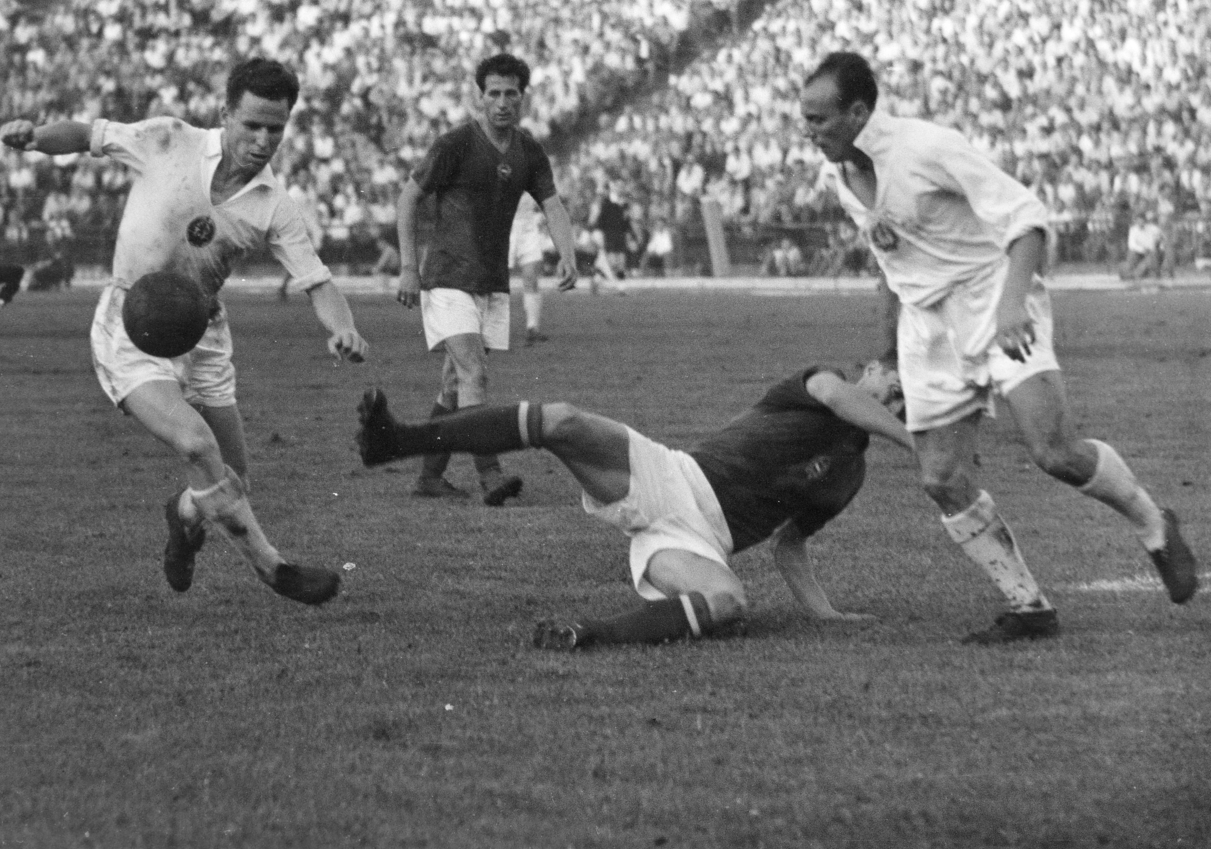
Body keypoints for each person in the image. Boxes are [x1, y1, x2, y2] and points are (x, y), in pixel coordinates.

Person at [799, 51, 1198, 643]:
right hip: (928, 327)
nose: (808, 132)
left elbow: (1027, 219)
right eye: (804, 119)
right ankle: (1029, 605)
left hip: (995, 295)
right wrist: (888, 351)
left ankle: (1154, 524)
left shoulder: (925, 147)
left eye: (819, 119)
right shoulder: (842, 175)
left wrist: (1011, 307)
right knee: (939, 477)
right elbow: (892, 266)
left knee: (1054, 450)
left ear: (858, 111)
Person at [0, 58, 367, 606]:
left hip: (204, 332)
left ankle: (183, 514)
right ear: (225, 114)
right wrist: (34, 138)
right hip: (130, 323)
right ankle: (276, 570)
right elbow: (88, 134)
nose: (264, 140)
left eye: (276, 128)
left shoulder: (273, 206)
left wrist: (344, 329)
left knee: (231, 477)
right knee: (197, 445)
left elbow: (316, 280)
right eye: (252, 125)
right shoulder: (169, 139)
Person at [355, 362, 913, 649]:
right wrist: (916, 441)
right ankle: (395, 441)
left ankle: (586, 633)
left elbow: (791, 545)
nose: (893, 397)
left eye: (905, 401)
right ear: (874, 370)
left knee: (728, 601)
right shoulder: (824, 382)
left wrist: (828, 614)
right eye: (893, 383)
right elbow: (841, 399)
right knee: (561, 421)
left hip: (698, 540)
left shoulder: (851, 473)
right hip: (670, 477)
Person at [395, 53, 577, 507]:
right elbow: (408, 199)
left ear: (522, 97)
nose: (501, 102)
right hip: (447, 276)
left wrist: (568, 254)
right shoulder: (455, 143)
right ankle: (490, 473)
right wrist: (407, 268)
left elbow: (552, 204)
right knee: (474, 372)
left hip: (491, 281)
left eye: (510, 93)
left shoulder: (528, 150)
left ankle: (429, 477)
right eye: (492, 93)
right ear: (479, 97)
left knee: (455, 385)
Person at [507, 193, 550, 344]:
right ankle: (488, 328)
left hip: (528, 226)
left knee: (530, 276)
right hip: (505, 225)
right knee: (497, 278)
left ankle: (533, 327)